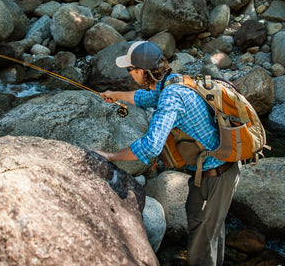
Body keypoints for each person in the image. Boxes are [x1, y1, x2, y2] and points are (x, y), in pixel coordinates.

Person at [92, 41, 241, 266]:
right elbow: (145, 98)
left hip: (216, 175)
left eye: (130, 70)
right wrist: (116, 95)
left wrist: (111, 157)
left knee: (202, 239)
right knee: (210, 232)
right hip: (219, 169)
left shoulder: (171, 96)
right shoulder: (172, 82)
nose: (130, 74)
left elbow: (152, 146)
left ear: (141, 72)